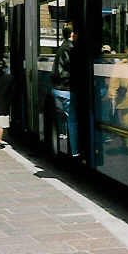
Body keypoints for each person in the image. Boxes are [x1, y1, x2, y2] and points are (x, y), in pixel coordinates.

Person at [52, 24, 78, 156]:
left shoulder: (62, 46)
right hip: (66, 89)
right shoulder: (70, 48)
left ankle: (65, 145)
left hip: (57, 89)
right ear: (72, 34)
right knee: (72, 121)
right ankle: (75, 151)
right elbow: (73, 67)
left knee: (64, 119)